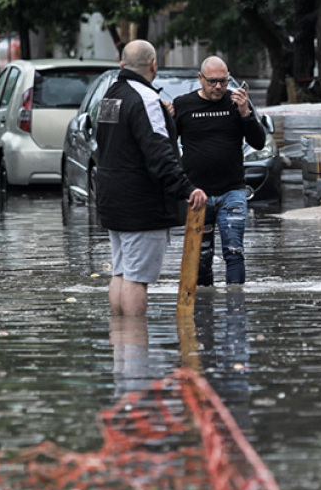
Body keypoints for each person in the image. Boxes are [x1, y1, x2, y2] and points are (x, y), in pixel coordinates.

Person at [94, 40, 207, 316]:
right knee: (137, 278)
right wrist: (186, 189)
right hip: (142, 204)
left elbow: (109, 141)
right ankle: (135, 350)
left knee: (121, 272)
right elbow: (159, 153)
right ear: (154, 65)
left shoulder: (111, 95)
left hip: (112, 198)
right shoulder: (146, 99)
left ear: (122, 64)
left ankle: (122, 347)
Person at [172, 56, 269, 287]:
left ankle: (236, 307)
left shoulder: (237, 102)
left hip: (231, 191)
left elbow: (259, 142)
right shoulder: (183, 104)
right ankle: (204, 309)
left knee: (234, 251)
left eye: (223, 82)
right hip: (197, 194)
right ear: (200, 79)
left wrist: (246, 112)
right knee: (201, 257)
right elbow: (167, 145)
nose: (218, 87)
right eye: (212, 81)